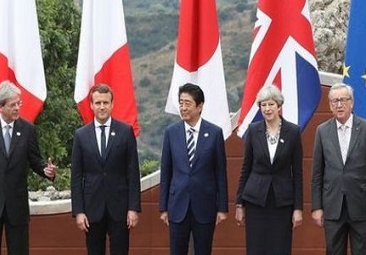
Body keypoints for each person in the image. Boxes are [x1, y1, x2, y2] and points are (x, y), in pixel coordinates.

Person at [0, 80, 57, 255]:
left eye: (19, 103)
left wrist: (46, 171)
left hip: (17, 206)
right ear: (1, 106)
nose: (17, 108)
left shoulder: (27, 129)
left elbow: (35, 160)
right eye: (12, 105)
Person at [311, 82, 366, 255]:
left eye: (343, 100)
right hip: (332, 206)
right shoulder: (322, 131)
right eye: (334, 101)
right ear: (330, 105)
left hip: (360, 205)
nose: (339, 105)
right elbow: (317, 174)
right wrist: (316, 207)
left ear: (351, 102)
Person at [71, 84, 141, 255]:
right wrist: (79, 211)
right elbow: (76, 177)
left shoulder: (125, 132)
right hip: (92, 209)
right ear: (91, 105)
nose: (102, 107)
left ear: (112, 104)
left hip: (120, 209)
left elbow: (133, 172)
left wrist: (133, 208)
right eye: (98, 103)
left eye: (105, 102)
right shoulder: (81, 135)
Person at [158, 82, 228, 255]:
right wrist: (163, 207)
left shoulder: (214, 133)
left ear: (200, 106)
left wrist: (222, 207)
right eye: (181, 103)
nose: (183, 108)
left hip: (205, 205)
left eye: (187, 103)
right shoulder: (171, 132)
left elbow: (220, 173)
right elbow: (166, 172)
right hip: (177, 204)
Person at [235, 85, 303, 255]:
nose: (267, 109)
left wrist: (298, 208)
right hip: (256, 201)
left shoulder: (293, 132)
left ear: (279, 105)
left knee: (280, 248)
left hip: (282, 202)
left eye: (271, 104)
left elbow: (297, 173)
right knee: (256, 248)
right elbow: (245, 168)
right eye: (263, 105)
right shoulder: (253, 130)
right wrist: (239, 204)